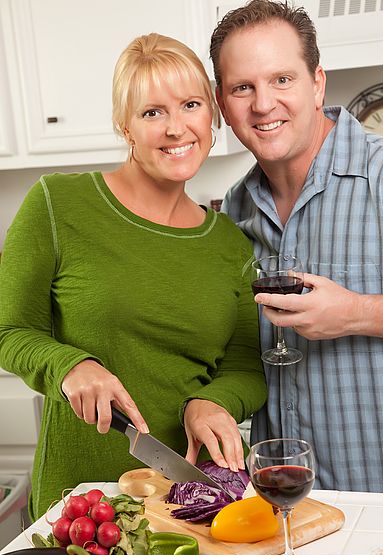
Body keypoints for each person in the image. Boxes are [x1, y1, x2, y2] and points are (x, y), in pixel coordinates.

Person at [0, 33, 266, 520]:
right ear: (125, 126)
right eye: (152, 112)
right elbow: (9, 330)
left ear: (212, 115)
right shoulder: (58, 205)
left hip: (192, 497)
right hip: (82, 501)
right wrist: (69, 365)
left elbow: (247, 363)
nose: (175, 128)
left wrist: (213, 402)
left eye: (190, 105)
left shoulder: (230, 242)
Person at [210, 0, 383, 493]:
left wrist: (357, 312)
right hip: (290, 504)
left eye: (282, 80)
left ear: (317, 83)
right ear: (222, 102)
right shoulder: (235, 209)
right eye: (242, 87)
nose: (263, 104)